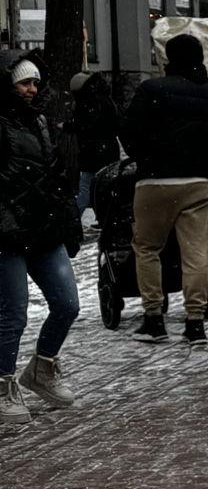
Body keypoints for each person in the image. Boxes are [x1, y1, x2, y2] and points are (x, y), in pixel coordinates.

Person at [121, 32, 208, 343]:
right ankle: (195, 320)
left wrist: (144, 154)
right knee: (195, 253)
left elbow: (130, 131)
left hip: (154, 180)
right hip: (196, 181)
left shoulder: (151, 89)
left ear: (169, 59)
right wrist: (206, 148)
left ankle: (154, 318)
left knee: (147, 248)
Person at [1, 60, 83, 425]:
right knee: (13, 314)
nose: (31, 89)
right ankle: (3, 385)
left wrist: (67, 221)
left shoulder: (41, 121)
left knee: (67, 303)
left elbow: (55, 177)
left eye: (35, 82)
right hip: (6, 233)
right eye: (23, 84)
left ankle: (41, 369)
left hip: (43, 229)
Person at [67, 69, 121, 223]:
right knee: (105, 187)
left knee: (85, 188)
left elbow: (84, 125)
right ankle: (106, 219)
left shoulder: (86, 104)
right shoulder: (107, 101)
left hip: (91, 153)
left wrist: (67, 126)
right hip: (108, 151)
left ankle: (74, 221)